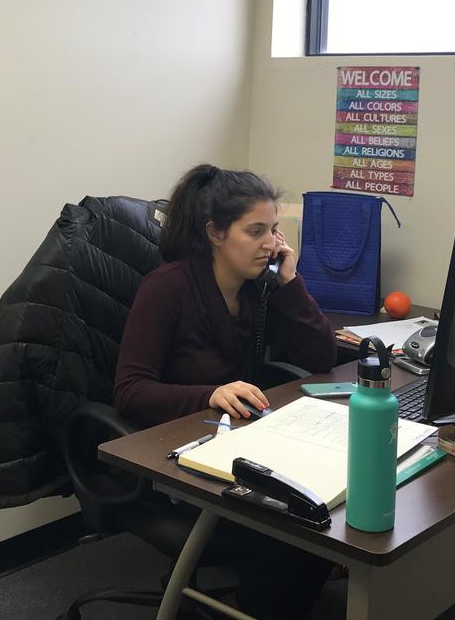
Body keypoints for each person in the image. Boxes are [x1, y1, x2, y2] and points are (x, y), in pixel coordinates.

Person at [114, 164, 338, 619]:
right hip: (178, 452)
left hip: (240, 441)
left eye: (273, 230)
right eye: (255, 231)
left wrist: (289, 281)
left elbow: (321, 355)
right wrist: (209, 394)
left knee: (321, 511)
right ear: (215, 233)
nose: (270, 243)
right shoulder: (168, 288)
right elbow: (130, 390)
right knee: (298, 534)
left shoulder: (257, 288)